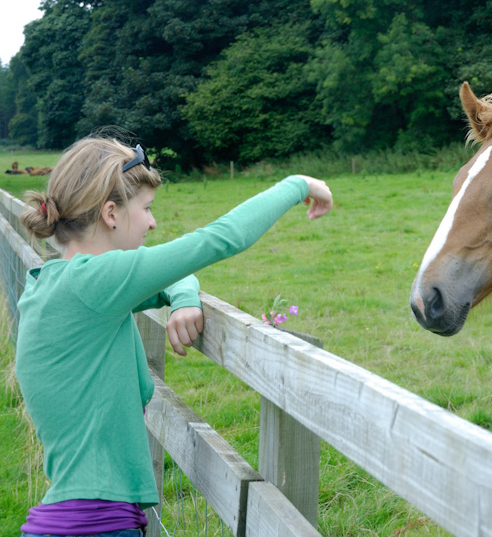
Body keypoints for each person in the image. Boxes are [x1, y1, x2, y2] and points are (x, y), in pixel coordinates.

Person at [14, 137, 332, 537]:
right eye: (146, 209)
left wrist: (183, 298)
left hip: (71, 519)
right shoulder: (98, 282)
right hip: (97, 526)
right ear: (110, 213)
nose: (152, 223)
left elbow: (177, 274)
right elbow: (217, 240)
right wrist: (298, 184)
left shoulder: (57, 283)